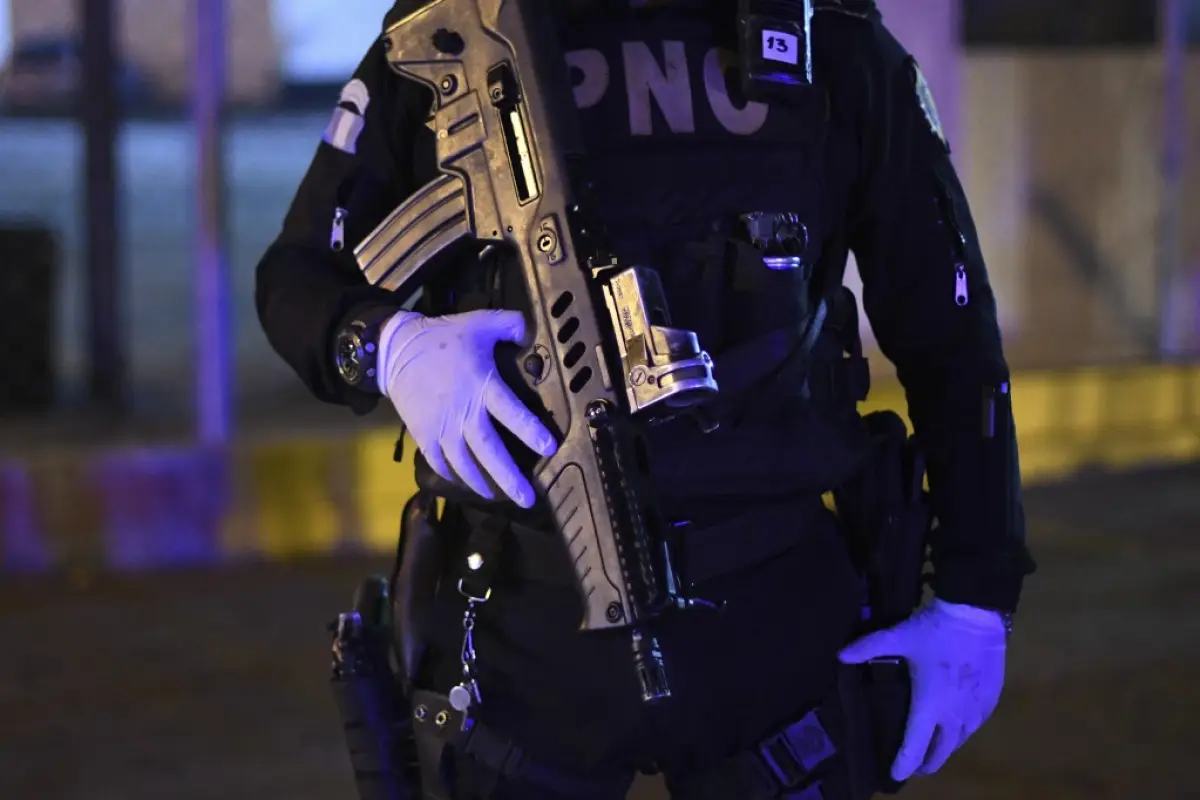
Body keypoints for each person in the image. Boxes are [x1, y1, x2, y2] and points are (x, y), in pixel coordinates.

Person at [256, 1, 1037, 797]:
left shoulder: (827, 32)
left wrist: (979, 594)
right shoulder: (459, 24)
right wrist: (387, 347)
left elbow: (952, 333)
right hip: (521, 617)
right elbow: (295, 279)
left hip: (775, 619)